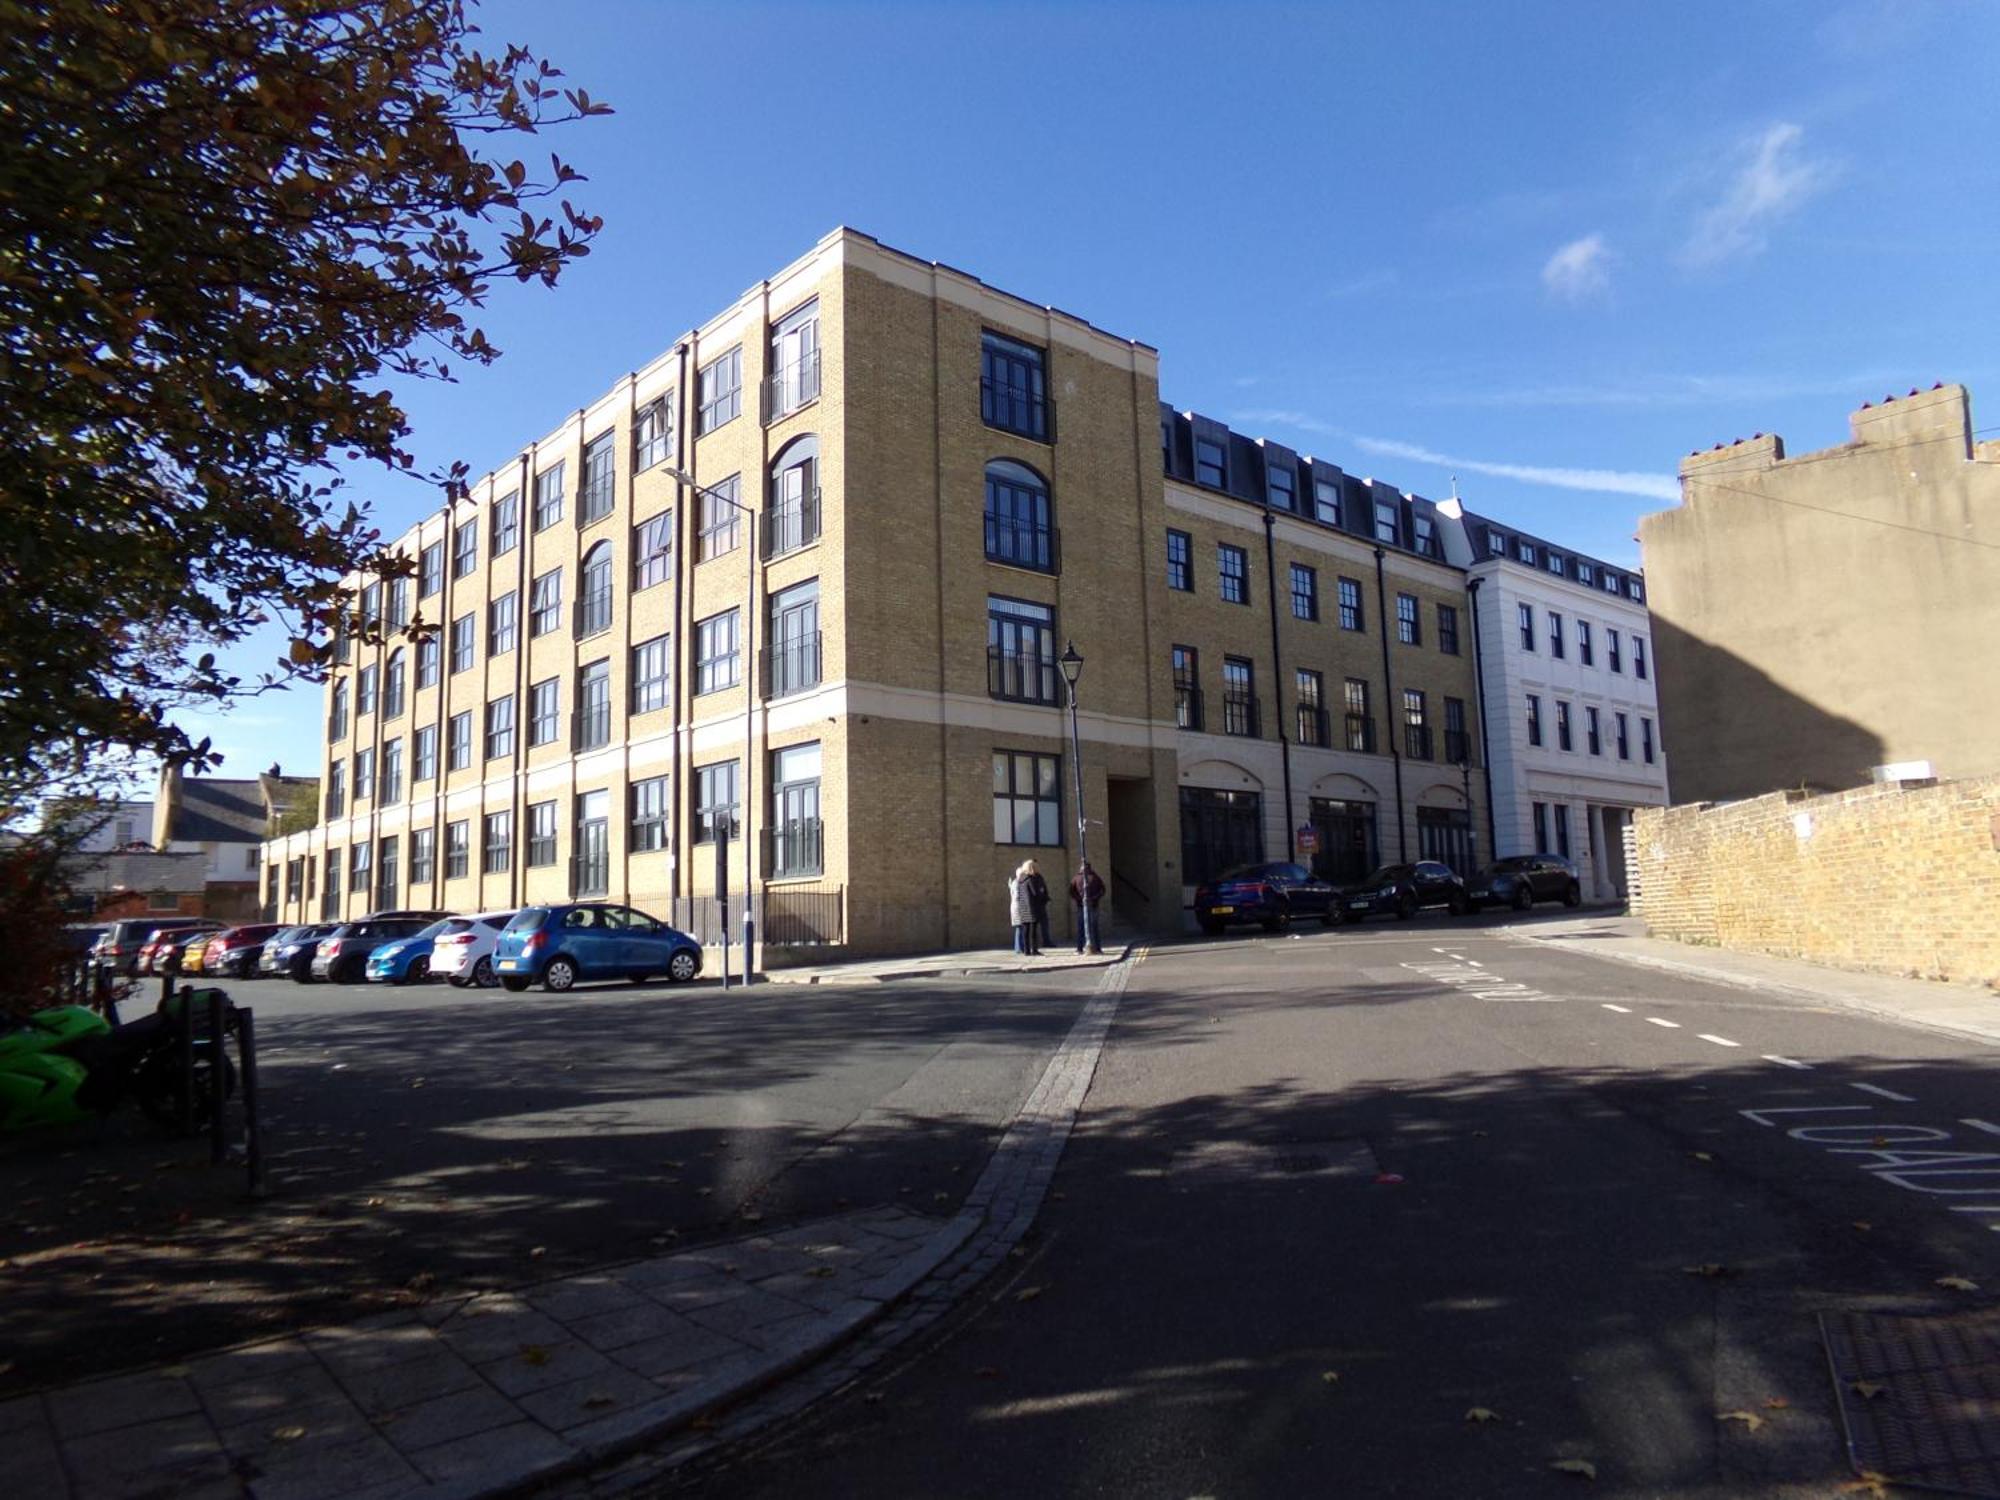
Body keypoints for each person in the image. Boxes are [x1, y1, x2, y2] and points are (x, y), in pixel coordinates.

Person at [1069, 860, 1106, 954]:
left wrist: (1079, 899)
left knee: (1081, 927)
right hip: (1093, 905)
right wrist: (1094, 898)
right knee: (1094, 928)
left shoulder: (1076, 878)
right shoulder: (1096, 877)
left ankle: (1079, 948)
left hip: (1081, 906)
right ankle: (1097, 948)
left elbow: (1071, 891)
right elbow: (1102, 890)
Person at [1022, 859, 1052, 953]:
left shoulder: (1023, 879)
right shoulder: (1032, 879)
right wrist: (1042, 893)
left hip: (1024, 907)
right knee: (1033, 930)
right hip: (1033, 907)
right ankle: (1034, 949)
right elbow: (1036, 892)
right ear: (1032, 868)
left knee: (1026, 930)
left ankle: (1027, 950)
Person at [1008, 861, 1037, 955]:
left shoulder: (1015, 882)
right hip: (1019, 906)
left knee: (1021, 928)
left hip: (1018, 906)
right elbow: (1018, 895)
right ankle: (1019, 948)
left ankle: (1021, 948)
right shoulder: (1019, 882)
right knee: (1022, 929)